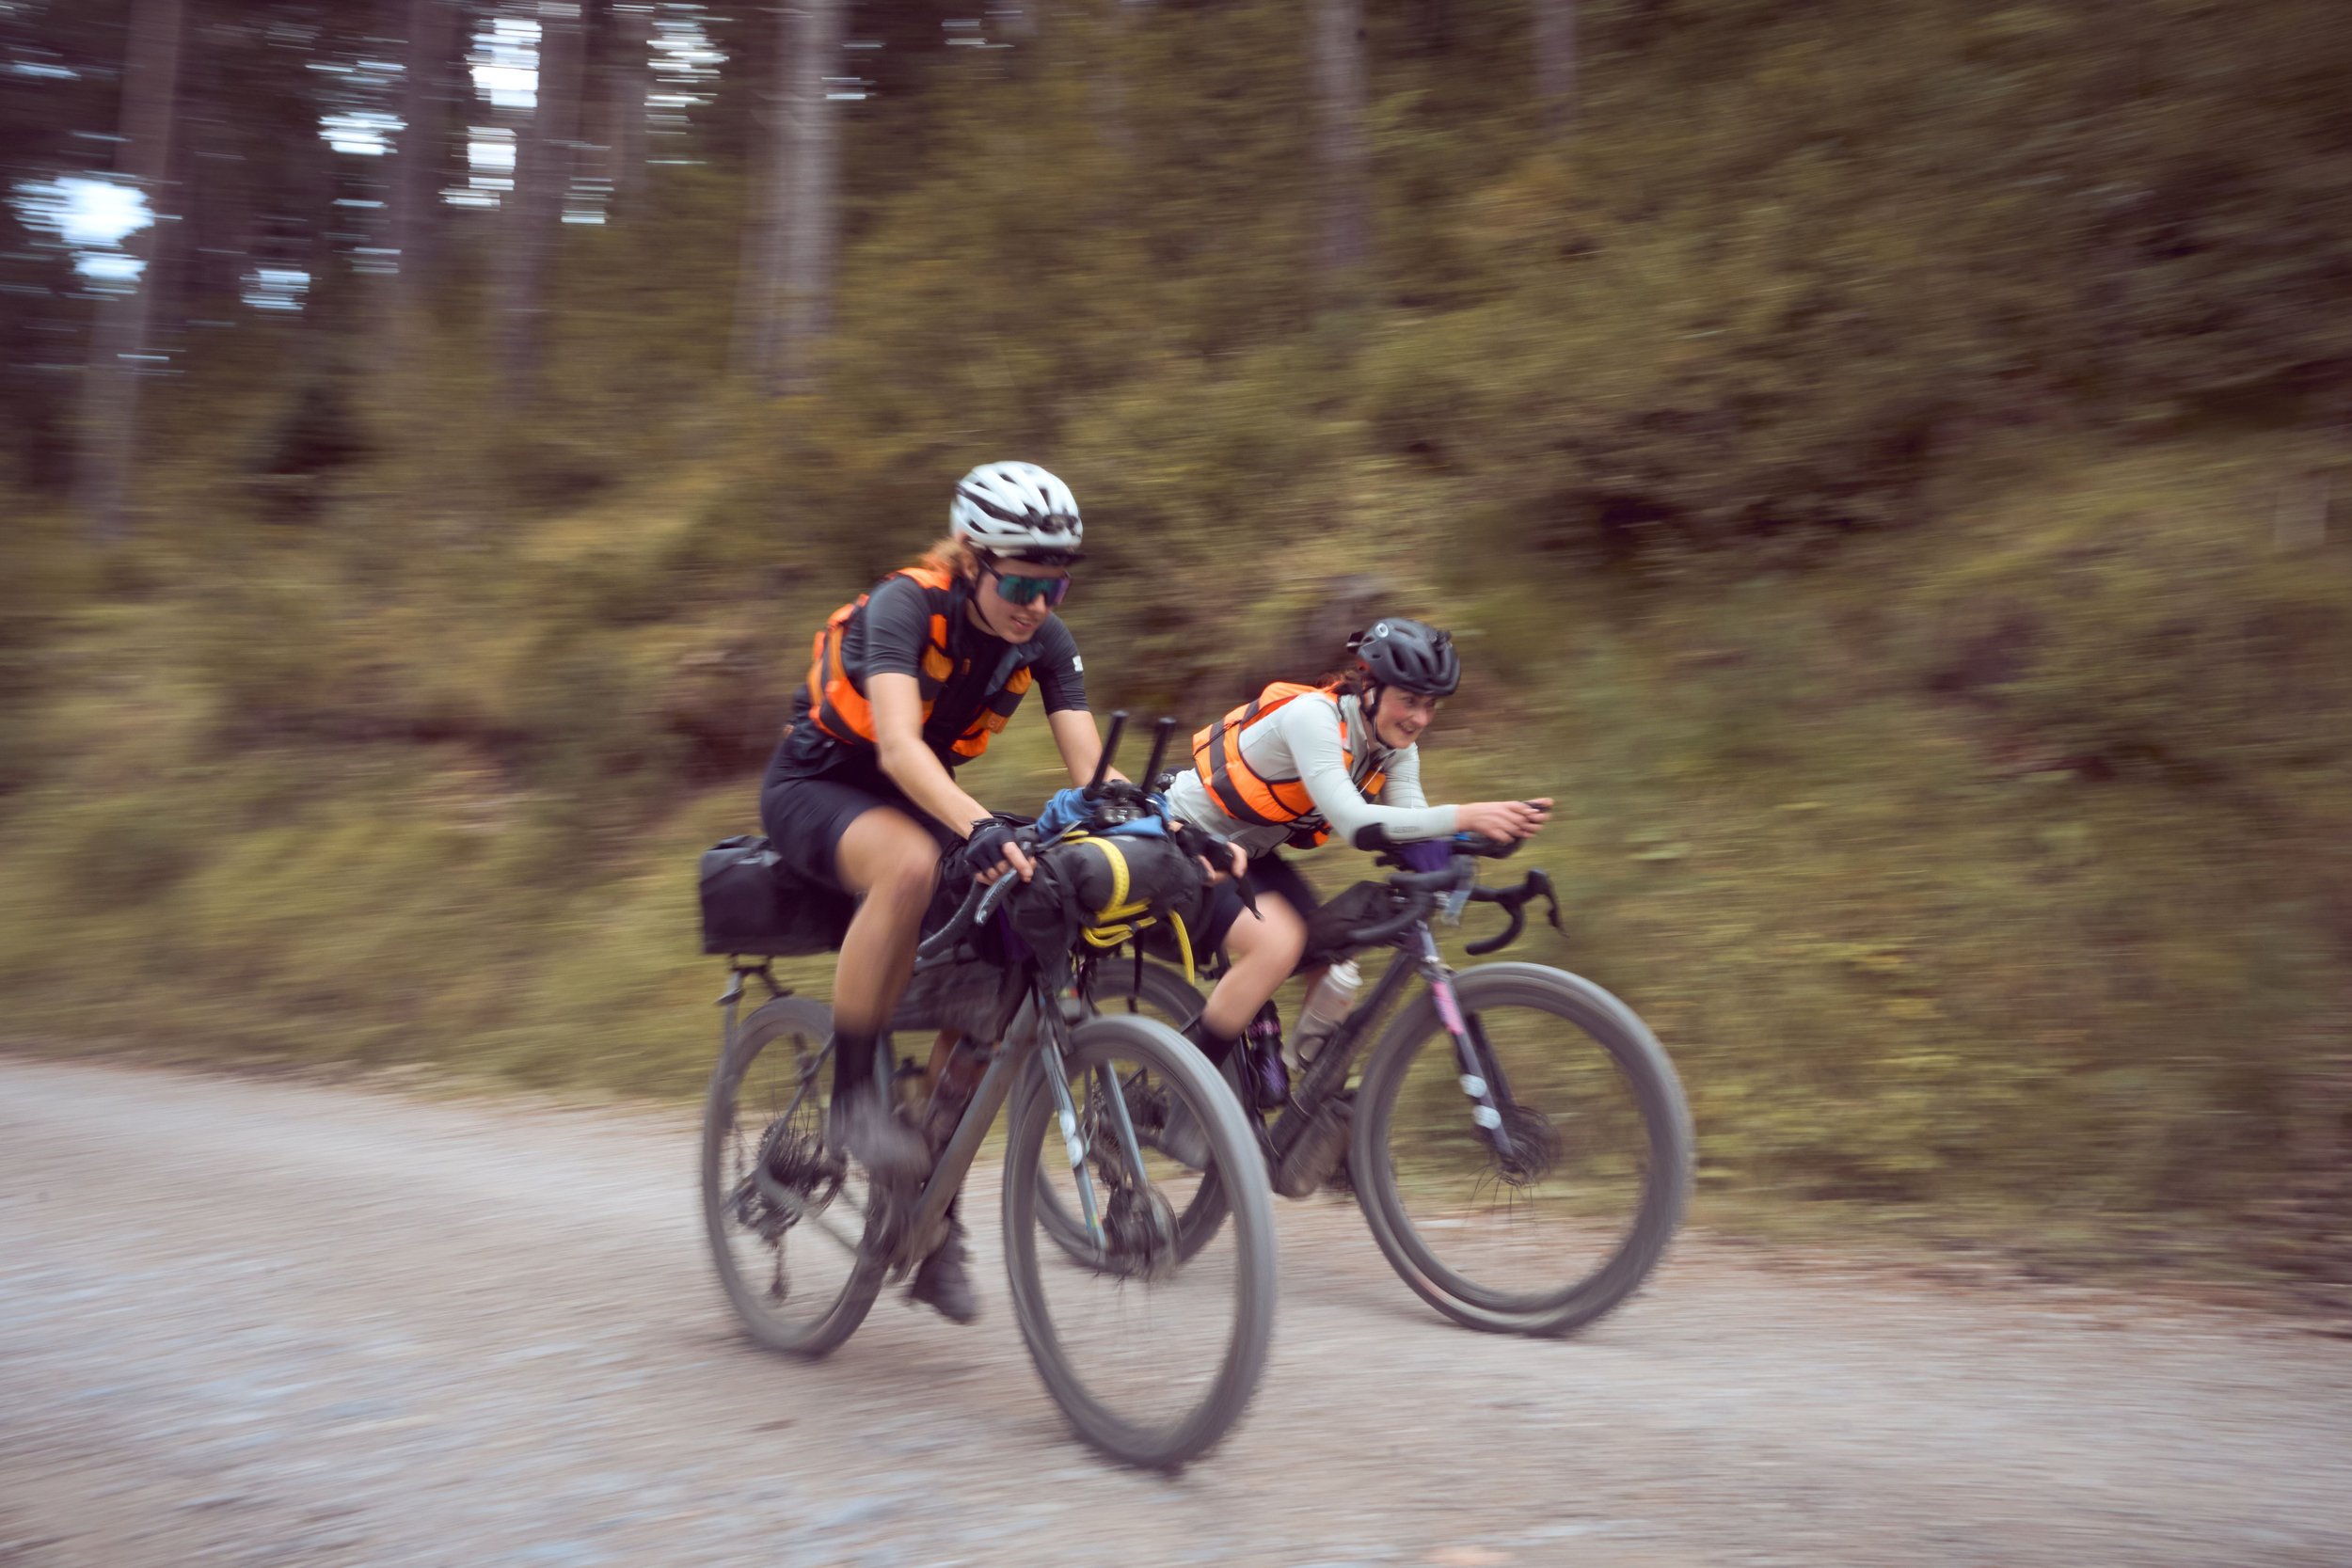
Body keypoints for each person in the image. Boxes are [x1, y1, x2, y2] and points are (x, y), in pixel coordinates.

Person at [760, 461, 1110, 1321]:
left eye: (1054, 583)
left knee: (1010, 944)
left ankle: (932, 1212)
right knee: (912, 865)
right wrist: (977, 824)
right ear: (973, 557)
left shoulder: (1045, 637)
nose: (1037, 602)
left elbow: (1092, 768)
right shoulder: (905, 606)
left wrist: (1155, 819)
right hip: (824, 787)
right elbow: (896, 747)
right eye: (1022, 580)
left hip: (929, 801)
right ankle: (852, 1098)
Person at [1155, 617, 1552, 1162]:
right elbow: (1357, 823)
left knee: (1333, 968)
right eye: (1409, 700)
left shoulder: (1394, 748)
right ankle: (1190, 1100)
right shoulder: (1313, 718)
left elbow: (1412, 826)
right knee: (1277, 945)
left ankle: (1310, 1113)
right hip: (1182, 843)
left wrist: (1471, 850)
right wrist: (1466, 814)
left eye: (1431, 706)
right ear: (1369, 686)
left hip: (1254, 856)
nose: (1419, 718)